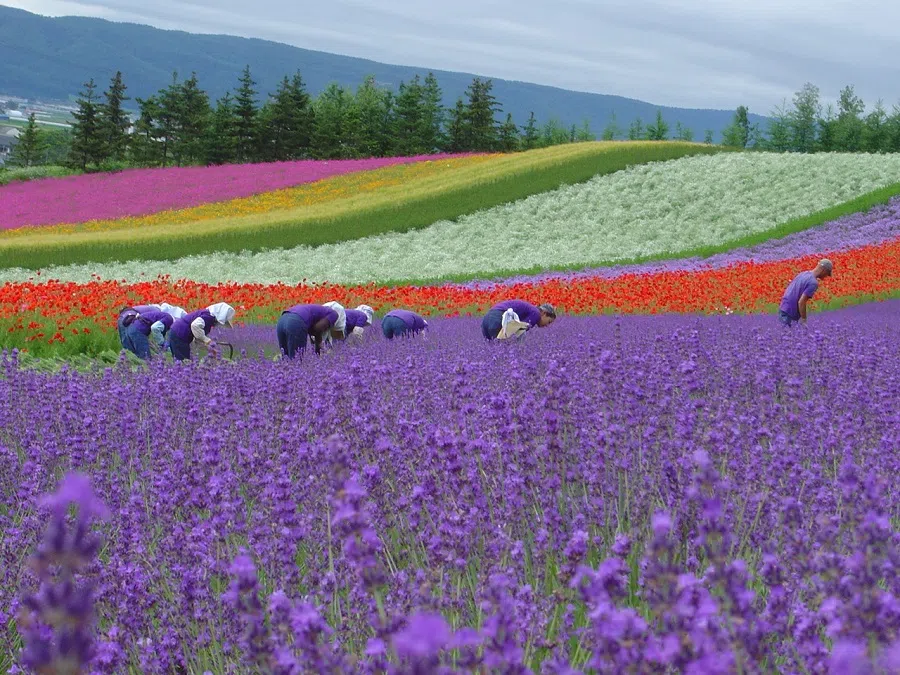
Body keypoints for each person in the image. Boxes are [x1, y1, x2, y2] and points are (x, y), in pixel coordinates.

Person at [168, 302, 235, 361]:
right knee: (183, 361)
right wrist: (208, 340)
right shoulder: (208, 316)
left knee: (182, 360)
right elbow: (195, 325)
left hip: (177, 333)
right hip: (179, 334)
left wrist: (210, 349)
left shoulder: (208, 320)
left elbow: (197, 340)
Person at [779, 259, 833, 327]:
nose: (826, 276)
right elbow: (801, 302)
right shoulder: (813, 283)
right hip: (791, 313)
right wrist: (804, 320)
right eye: (827, 274)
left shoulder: (803, 274)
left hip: (784, 307)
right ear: (823, 270)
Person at [481, 300, 556, 340]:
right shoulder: (536, 314)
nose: (546, 325)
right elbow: (518, 331)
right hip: (498, 317)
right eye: (549, 322)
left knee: (492, 348)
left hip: (486, 318)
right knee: (502, 347)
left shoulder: (530, 309)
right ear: (544, 313)